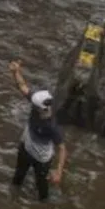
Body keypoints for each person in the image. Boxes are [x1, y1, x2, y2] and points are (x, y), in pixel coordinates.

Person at [8, 60, 69, 201]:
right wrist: (16, 72)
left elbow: (62, 148)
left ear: (40, 108)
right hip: (26, 148)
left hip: (41, 159)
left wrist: (58, 172)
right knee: (18, 177)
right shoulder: (39, 104)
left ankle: (43, 206)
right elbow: (22, 87)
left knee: (42, 186)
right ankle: (13, 197)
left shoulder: (52, 127)